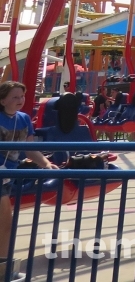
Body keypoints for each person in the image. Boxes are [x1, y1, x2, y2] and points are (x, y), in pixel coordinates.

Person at [0, 81, 58, 280]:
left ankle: (3, 263)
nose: (20, 100)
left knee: (5, 222)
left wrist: (45, 164)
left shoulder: (24, 119)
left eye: (22, 96)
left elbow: (29, 149)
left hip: (9, 175)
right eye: (15, 97)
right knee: (4, 219)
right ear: (2, 100)